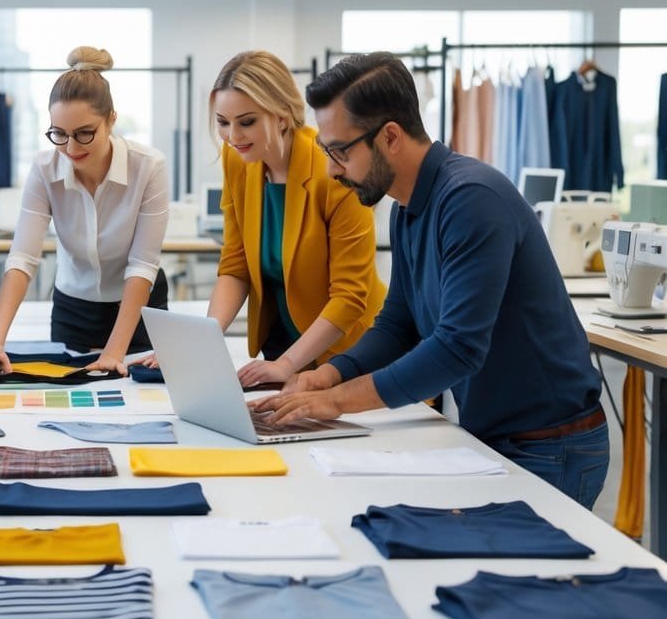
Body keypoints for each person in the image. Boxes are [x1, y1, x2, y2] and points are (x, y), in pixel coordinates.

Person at [264, 52, 609, 509]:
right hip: (497, 435)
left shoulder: (470, 199)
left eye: (340, 151)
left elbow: (457, 348)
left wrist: (338, 401)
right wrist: (325, 377)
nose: (331, 169)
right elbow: (398, 325)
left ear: (389, 137)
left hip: (550, 446)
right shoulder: (407, 207)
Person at [0, 46, 169, 376]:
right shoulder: (45, 169)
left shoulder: (148, 167)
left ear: (111, 120)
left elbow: (142, 265)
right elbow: (22, 259)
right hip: (74, 310)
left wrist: (115, 351)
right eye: (59, 134)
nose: (71, 148)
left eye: (85, 133)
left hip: (139, 311)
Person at [194, 50, 386, 388]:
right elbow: (236, 264)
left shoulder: (334, 169)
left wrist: (287, 365)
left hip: (346, 350)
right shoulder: (237, 159)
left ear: (282, 116)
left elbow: (349, 296)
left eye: (247, 122)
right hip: (281, 344)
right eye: (223, 122)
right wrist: (202, 343)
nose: (233, 136)